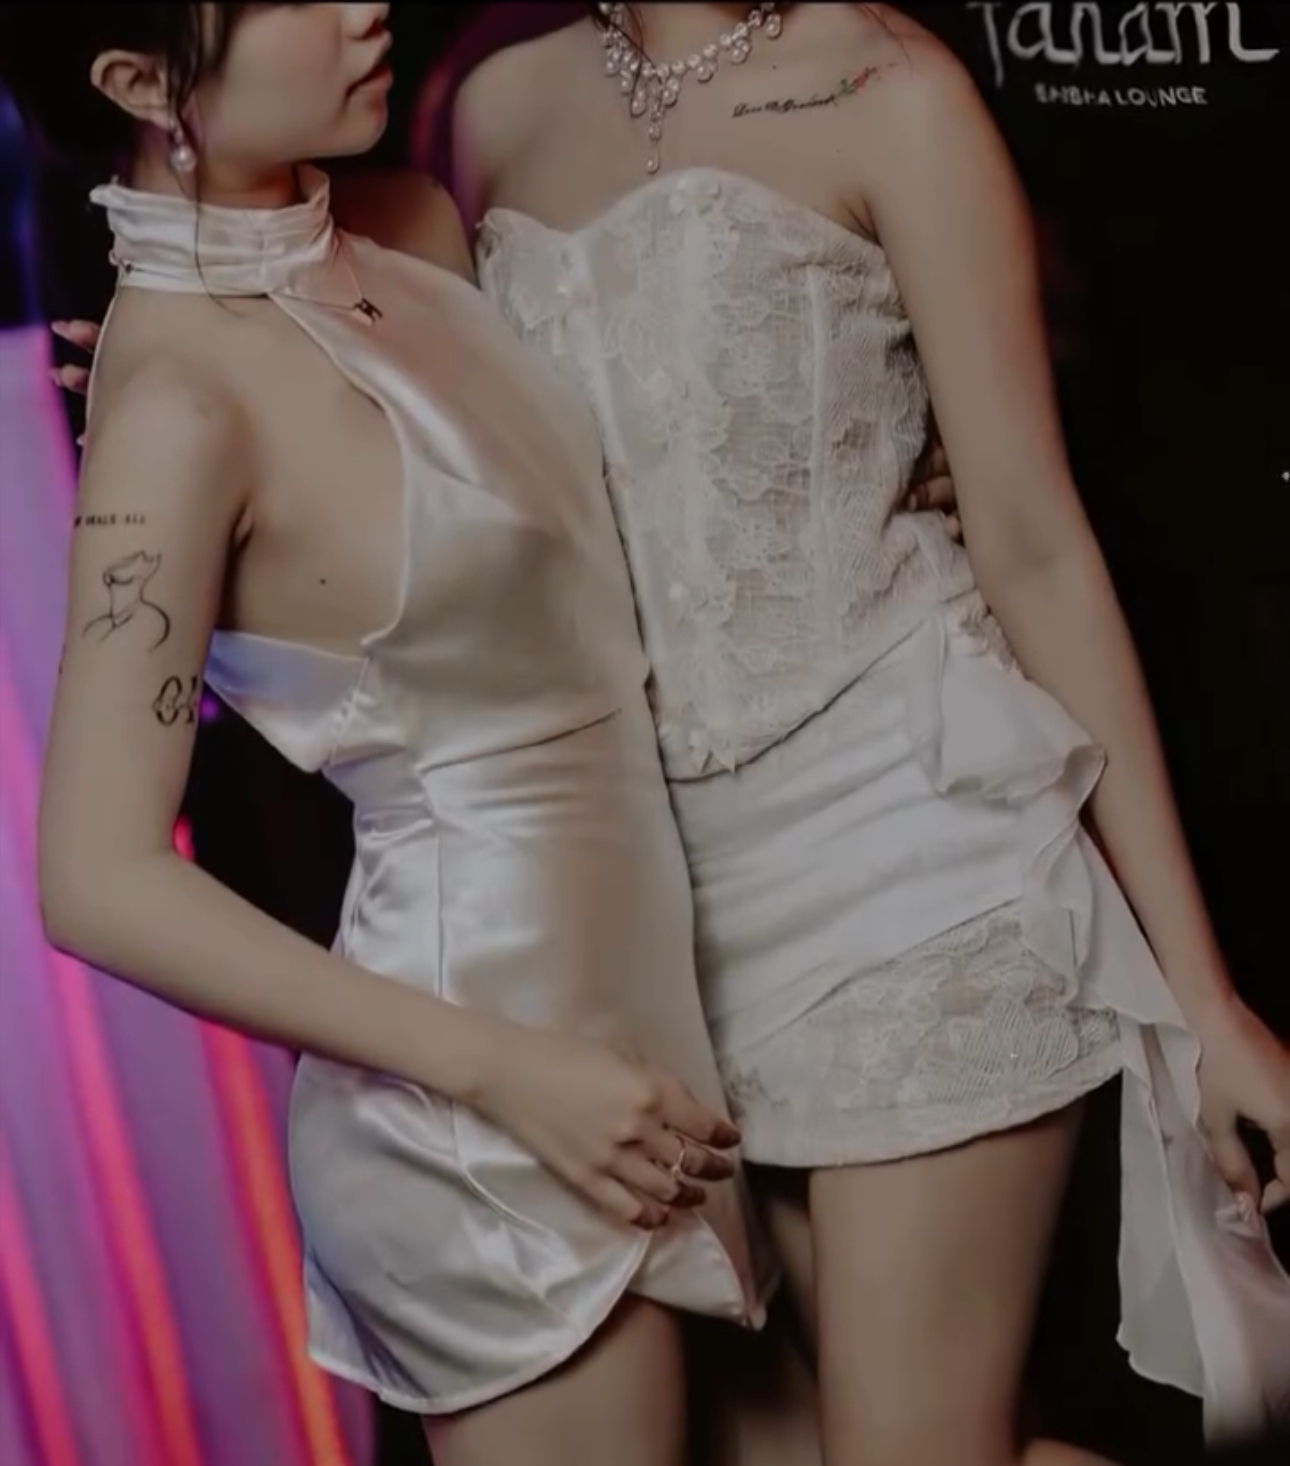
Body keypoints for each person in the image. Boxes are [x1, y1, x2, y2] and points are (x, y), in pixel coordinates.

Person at [439, 3, 1290, 1464]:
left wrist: (1205, 1003)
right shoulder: (495, 109)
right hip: (661, 917)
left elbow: (1032, 543)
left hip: (910, 833)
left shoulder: (890, 89)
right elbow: (402, 402)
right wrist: (177, 341)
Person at [0, 6, 773, 1463]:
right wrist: (504, 1072)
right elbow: (95, 880)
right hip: (483, 1111)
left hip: (647, 1024)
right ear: (141, 82)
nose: (363, 3)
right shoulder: (169, 407)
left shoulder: (409, 221)